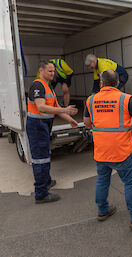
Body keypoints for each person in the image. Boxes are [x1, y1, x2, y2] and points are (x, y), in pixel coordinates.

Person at [83, 70, 132, 230]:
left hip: (101, 150)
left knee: (102, 179)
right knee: (130, 182)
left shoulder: (91, 100)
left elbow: (87, 122)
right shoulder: (126, 99)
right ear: (118, 83)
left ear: (101, 83)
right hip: (120, 150)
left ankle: (102, 210)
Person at [27, 60, 78, 204]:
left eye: (53, 71)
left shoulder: (48, 87)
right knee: (40, 158)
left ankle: (46, 181)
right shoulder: (37, 85)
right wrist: (65, 110)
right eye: (49, 71)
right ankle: (41, 194)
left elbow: (56, 106)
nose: (52, 73)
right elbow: (41, 107)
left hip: (43, 126)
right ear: (41, 70)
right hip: (37, 126)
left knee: (45, 155)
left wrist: (70, 120)